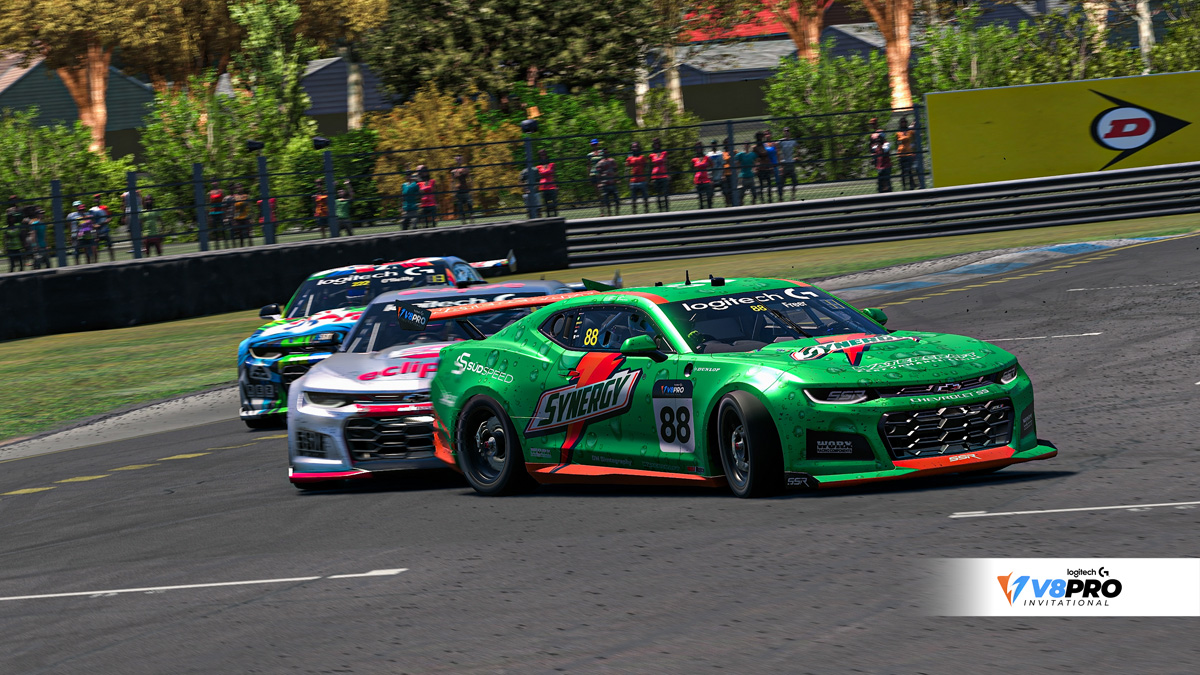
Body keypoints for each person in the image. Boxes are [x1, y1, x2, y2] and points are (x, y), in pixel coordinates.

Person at [625, 141, 649, 214]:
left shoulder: (642, 157)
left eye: (636, 147)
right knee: (633, 200)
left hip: (642, 181)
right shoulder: (629, 158)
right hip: (633, 181)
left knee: (645, 199)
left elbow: (647, 168)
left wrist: (647, 179)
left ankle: (646, 212)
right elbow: (627, 169)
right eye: (633, 147)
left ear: (639, 147)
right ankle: (634, 213)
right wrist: (627, 179)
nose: (634, 148)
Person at [777, 127, 799, 200]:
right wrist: (780, 162)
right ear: (783, 132)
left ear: (790, 132)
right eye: (785, 131)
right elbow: (777, 151)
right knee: (782, 182)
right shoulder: (781, 141)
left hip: (791, 163)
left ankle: (793, 196)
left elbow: (798, 147)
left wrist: (796, 156)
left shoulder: (792, 141)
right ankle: (781, 197)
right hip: (784, 164)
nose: (786, 132)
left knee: (794, 181)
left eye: (788, 131)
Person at [90, 194, 115, 261]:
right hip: (97, 231)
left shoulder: (104, 208)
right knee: (95, 246)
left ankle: (112, 260)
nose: (97, 199)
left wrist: (107, 221)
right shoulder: (92, 210)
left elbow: (110, 217)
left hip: (105, 229)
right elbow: (91, 220)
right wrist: (94, 226)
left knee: (110, 245)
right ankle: (95, 262)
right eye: (95, 198)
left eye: (98, 198)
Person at [596, 149, 620, 216]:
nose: (605, 154)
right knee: (607, 201)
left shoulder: (612, 161)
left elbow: (616, 170)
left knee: (617, 200)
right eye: (604, 153)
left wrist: (617, 179)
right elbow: (598, 174)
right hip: (605, 184)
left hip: (612, 182)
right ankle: (609, 213)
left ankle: (617, 213)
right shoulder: (600, 163)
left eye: (606, 153)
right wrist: (599, 183)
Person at [535, 149, 559, 217]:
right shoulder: (538, 167)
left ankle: (555, 216)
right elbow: (538, 177)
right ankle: (548, 216)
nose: (543, 156)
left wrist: (557, 185)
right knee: (546, 203)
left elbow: (554, 175)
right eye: (541, 155)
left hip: (552, 186)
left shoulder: (552, 165)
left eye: (544, 154)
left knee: (554, 202)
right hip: (543, 187)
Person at [895, 117, 917, 191]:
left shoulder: (910, 131)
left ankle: (911, 186)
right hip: (901, 154)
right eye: (902, 122)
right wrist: (897, 153)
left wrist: (913, 123)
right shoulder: (898, 132)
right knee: (903, 172)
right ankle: (904, 186)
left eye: (904, 122)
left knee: (910, 170)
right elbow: (897, 143)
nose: (903, 123)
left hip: (909, 153)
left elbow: (914, 135)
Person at [649, 137, 670, 212]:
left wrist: (668, 174)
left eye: (657, 143)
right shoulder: (652, 155)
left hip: (663, 175)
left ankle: (667, 208)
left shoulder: (664, 153)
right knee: (658, 194)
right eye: (655, 143)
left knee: (665, 192)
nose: (656, 144)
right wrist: (651, 178)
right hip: (655, 176)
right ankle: (660, 209)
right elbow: (651, 166)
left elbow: (667, 164)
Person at [450, 155, 473, 223]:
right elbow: (452, 181)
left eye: (460, 159)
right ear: (455, 160)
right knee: (460, 206)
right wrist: (453, 191)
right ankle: (463, 219)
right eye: (457, 159)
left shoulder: (466, 169)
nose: (459, 161)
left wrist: (471, 188)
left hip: (465, 189)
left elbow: (470, 179)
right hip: (458, 191)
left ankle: (471, 217)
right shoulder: (453, 171)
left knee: (469, 204)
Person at [691, 144, 714, 209]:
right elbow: (693, 169)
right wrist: (694, 180)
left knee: (709, 197)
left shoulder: (707, 158)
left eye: (700, 147)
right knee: (700, 198)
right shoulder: (694, 159)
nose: (698, 149)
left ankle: (710, 209)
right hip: (698, 180)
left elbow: (712, 166)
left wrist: (711, 177)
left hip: (706, 179)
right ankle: (702, 210)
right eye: (697, 148)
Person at [706, 140, 729, 207]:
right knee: (710, 194)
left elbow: (723, 165)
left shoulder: (720, 154)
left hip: (720, 176)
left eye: (715, 144)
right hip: (712, 177)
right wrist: (709, 177)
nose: (714, 145)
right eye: (712, 144)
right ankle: (710, 207)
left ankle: (727, 205)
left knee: (726, 192)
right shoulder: (708, 155)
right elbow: (708, 167)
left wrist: (723, 175)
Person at [753, 133, 774, 204]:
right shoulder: (755, 148)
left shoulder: (765, 146)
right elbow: (755, 159)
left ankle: (769, 198)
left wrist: (770, 166)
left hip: (766, 167)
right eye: (760, 137)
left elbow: (767, 156)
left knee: (769, 184)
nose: (761, 139)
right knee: (761, 185)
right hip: (761, 168)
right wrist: (755, 168)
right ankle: (762, 199)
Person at [586, 139, 604, 207]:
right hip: (593, 173)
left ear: (598, 144)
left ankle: (605, 199)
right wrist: (588, 175)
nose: (595, 146)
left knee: (603, 187)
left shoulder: (602, 152)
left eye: (596, 144)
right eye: (593, 145)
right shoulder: (589, 155)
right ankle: (601, 202)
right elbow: (588, 165)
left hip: (602, 173)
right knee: (597, 189)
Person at [208, 181, 227, 248]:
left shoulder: (221, 191)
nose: (214, 183)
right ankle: (216, 245)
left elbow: (224, 202)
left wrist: (225, 214)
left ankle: (225, 244)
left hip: (221, 211)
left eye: (215, 181)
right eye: (212, 181)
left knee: (223, 228)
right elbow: (209, 204)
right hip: (213, 212)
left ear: (217, 183)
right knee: (215, 229)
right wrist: (209, 215)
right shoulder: (210, 192)